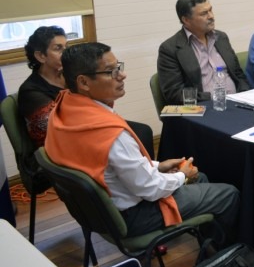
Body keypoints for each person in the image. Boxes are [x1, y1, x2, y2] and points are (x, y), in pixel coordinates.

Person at [45, 42, 239, 240]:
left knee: (201, 178)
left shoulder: (62, 109)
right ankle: (226, 262)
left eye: (118, 67)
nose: (122, 75)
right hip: (132, 216)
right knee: (229, 193)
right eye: (111, 72)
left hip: (97, 213)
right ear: (84, 82)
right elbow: (151, 189)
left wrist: (157, 165)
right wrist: (181, 174)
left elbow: (109, 165)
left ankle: (207, 244)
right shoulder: (110, 134)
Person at [18, 27, 155, 158]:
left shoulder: (69, 76)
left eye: (67, 47)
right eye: (58, 48)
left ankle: (145, 171)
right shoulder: (30, 91)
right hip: (59, 145)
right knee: (121, 140)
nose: (65, 52)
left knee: (142, 131)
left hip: (89, 123)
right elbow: (56, 128)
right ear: (41, 56)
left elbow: (100, 103)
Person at [157, 0, 250, 105]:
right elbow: (174, 94)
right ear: (186, 20)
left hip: (236, 104)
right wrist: (214, 97)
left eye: (210, 10)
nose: (211, 16)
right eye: (204, 13)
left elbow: (238, 74)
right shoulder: (170, 49)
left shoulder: (221, 38)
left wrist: (245, 96)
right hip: (203, 109)